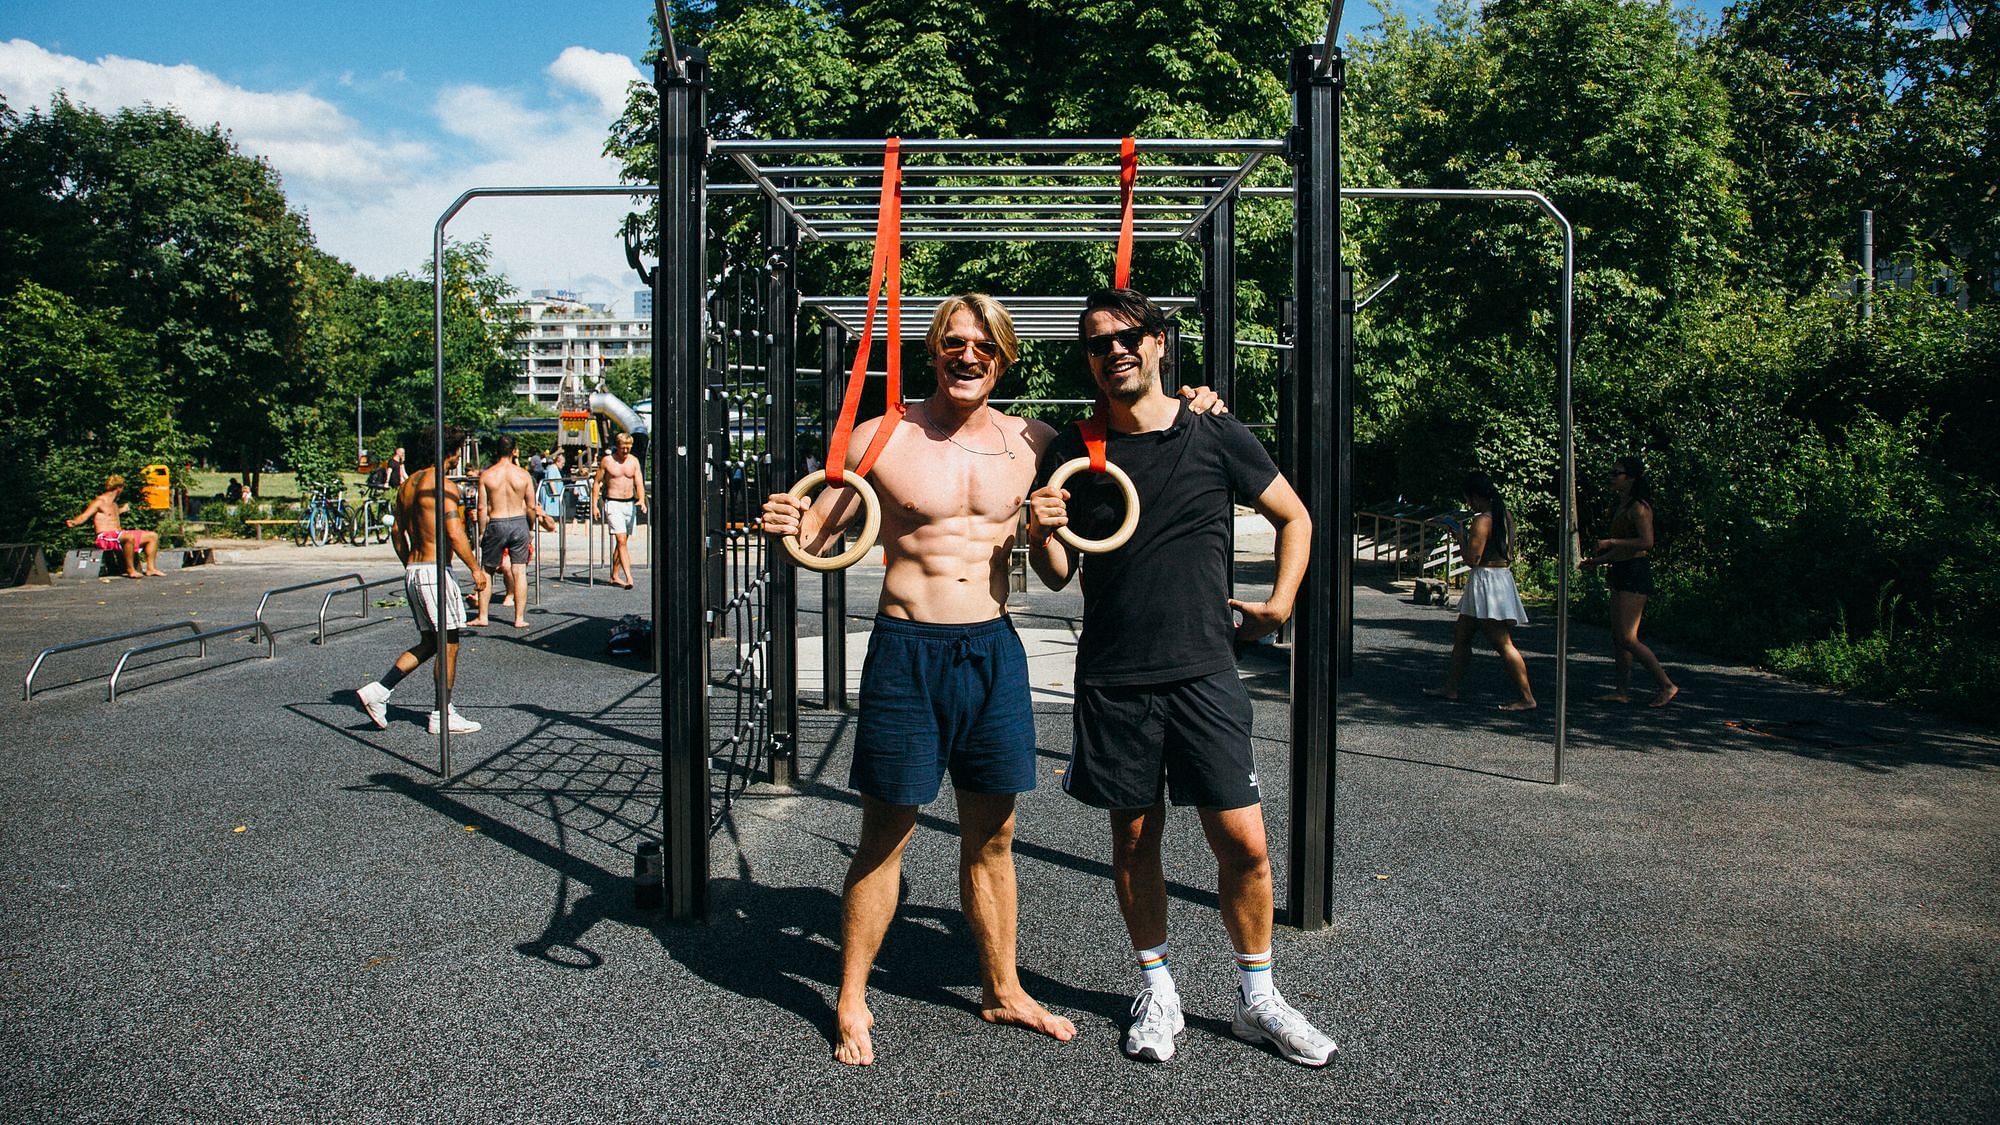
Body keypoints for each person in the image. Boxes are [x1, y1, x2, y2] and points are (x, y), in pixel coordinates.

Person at [761, 294, 1078, 1066]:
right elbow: (814, 533)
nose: (968, 356)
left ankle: (1002, 987)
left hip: (992, 650)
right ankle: (851, 996)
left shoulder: (1034, 441)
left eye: (984, 345)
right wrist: (783, 525)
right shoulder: (883, 436)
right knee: (886, 833)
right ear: (933, 353)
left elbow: (1059, 575)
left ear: (1003, 357)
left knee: (994, 836)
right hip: (907, 650)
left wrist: (1045, 531)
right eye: (953, 343)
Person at [1025, 288, 1334, 1068]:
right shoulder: (1075, 447)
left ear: (1160, 342)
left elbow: (1296, 516)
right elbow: (1058, 575)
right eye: (1099, 344)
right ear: (1090, 361)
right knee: (1134, 842)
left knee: (1247, 845)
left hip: (1205, 670)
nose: (1115, 351)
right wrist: (1043, 530)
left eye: (1129, 336)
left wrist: (1280, 604)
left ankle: (1258, 997)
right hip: (1116, 676)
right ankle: (1157, 986)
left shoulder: (1214, 430)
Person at [354, 429, 487, 735]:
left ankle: (379, 691)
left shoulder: (407, 485)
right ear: (449, 452)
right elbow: (454, 533)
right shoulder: (442, 485)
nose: (457, 459)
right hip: (434, 570)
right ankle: (444, 713)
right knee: (449, 642)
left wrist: (410, 565)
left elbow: (397, 533)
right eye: (457, 452)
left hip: (415, 568)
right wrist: (475, 570)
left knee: (431, 642)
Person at [1421, 472, 1537, 711]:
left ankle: (1527, 697)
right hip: (1499, 575)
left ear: (1474, 496)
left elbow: (1472, 559)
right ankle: (1451, 687)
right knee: (1462, 634)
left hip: (1486, 579)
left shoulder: (1482, 520)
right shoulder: (1505, 515)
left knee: (1502, 642)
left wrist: (1461, 539)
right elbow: (1508, 549)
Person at [1583, 456, 1678, 707]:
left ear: (1631, 478)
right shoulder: (1622, 505)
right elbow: (1625, 548)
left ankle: (1666, 684)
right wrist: (1599, 560)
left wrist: (1611, 543)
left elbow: (1646, 543)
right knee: (1618, 636)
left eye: (1617, 473)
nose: (1611, 477)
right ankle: (1622, 690)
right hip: (1621, 568)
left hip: (1635, 572)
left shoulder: (1639, 507)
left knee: (1628, 637)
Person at [471, 434, 558, 629]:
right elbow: (530, 506)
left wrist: (483, 532)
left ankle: (483, 616)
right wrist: (529, 528)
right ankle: (519, 618)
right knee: (519, 571)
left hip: (497, 521)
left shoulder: (487, 475)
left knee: (487, 570)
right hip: (518, 522)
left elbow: (482, 508)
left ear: (496, 451)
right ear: (515, 451)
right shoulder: (523, 475)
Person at [65, 475, 166, 579]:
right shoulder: (100, 501)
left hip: (118, 535)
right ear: (119, 488)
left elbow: (110, 515)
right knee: (128, 536)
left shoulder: (114, 504)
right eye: (122, 487)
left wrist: (122, 510)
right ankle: (130, 569)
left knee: (152, 536)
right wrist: (74, 522)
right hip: (104, 537)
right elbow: (85, 516)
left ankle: (151, 568)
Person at [592, 432, 647, 589]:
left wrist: (641, 500)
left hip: (629, 504)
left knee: (622, 542)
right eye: (623, 448)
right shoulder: (608, 461)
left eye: (628, 448)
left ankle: (614, 575)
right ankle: (629, 577)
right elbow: (597, 483)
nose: (625, 452)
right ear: (617, 446)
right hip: (613, 502)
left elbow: (639, 483)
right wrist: (595, 504)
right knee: (621, 540)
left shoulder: (633, 461)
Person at [539, 450, 566, 522]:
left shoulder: (555, 468)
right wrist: (554, 492)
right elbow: (551, 481)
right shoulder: (552, 468)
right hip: (550, 492)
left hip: (553, 491)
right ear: (557, 462)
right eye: (562, 463)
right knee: (548, 510)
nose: (563, 465)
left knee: (551, 510)